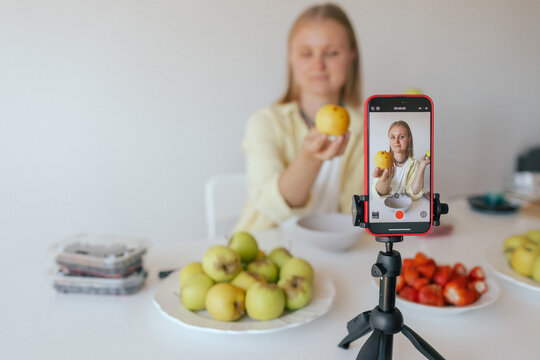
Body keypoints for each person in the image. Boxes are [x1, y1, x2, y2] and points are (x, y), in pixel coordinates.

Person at [233, 3, 364, 232]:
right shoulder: (265, 123)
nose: (318, 65)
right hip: (263, 249)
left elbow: (357, 214)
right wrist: (310, 158)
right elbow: (269, 207)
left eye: (332, 53)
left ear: (352, 55)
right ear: (291, 57)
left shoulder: (366, 128)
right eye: (306, 53)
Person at [372, 120, 430, 201]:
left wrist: (422, 166)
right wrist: (384, 180)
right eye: (392, 137)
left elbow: (414, 195)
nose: (396, 141)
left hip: (406, 209)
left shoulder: (415, 164)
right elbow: (379, 194)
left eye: (401, 137)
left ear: (409, 139)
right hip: (384, 207)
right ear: (389, 139)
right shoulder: (383, 160)